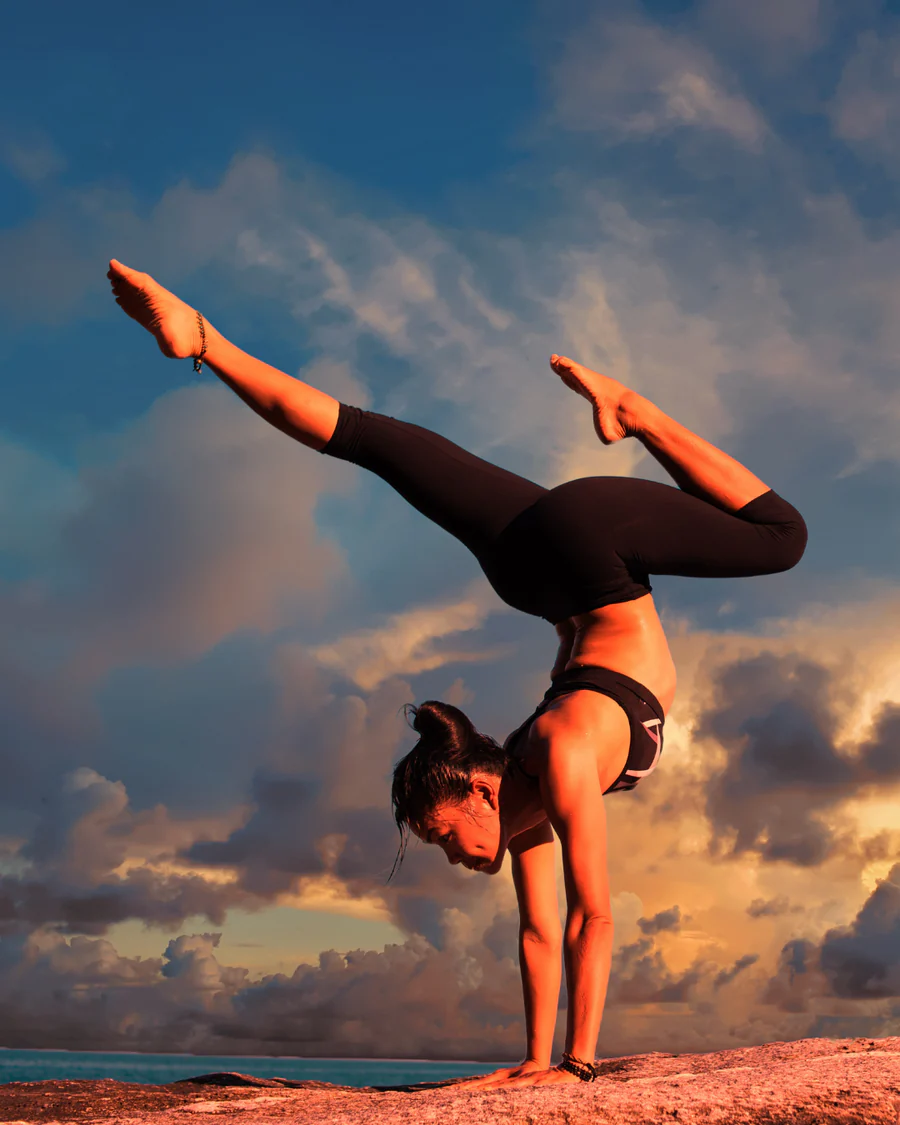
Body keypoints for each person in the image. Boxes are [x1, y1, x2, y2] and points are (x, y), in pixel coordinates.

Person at [107, 259, 807, 1088]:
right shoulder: (527, 795)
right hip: (534, 568)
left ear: (480, 788)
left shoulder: (557, 752)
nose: (452, 857)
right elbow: (541, 932)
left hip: (594, 553)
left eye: (442, 835)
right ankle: (206, 342)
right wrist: (531, 1064)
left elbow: (595, 913)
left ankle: (635, 411)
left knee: (780, 536)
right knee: (367, 439)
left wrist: (577, 1066)